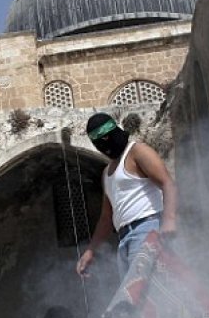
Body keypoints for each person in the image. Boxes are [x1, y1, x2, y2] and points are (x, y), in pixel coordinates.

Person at [76, 113, 178, 279]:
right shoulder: (106, 173)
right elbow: (106, 218)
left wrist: (169, 221)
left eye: (107, 138)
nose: (105, 144)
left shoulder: (137, 151)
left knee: (145, 290)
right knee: (134, 295)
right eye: (99, 141)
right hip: (124, 239)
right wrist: (90, 251)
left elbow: (167, 183)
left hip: (147, 228)